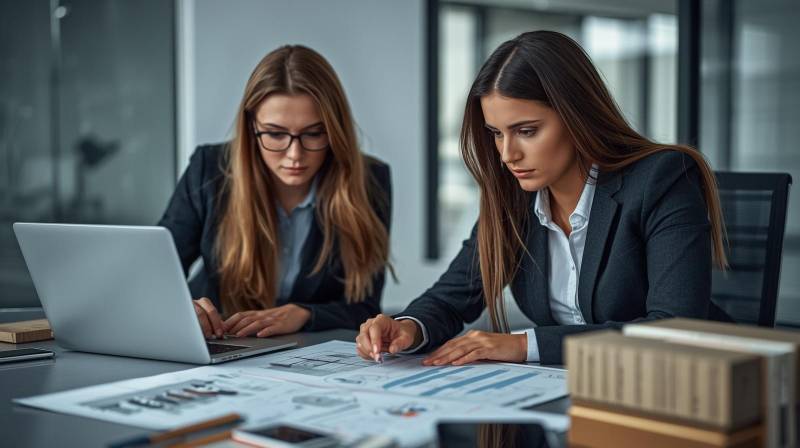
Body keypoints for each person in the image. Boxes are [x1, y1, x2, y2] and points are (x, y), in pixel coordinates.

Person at [356, 30, 728, 365]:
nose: (507, 154)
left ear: (577, 116)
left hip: (688, 386)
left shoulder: (661, 179)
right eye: (496, 134)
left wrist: (524, 345)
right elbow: (452, 296)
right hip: (571, 390)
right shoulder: (514, 198)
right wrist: (407, 327)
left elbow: (672, 330)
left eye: (527, 131)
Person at [159, 45, 392, 339]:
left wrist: (305, 313)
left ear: (335, 130)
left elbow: (365, 307)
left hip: (305, 352)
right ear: (251, 127)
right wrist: (183, 308)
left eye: (314, 133)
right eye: (275, 134)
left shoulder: (369, 180)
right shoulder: (209, 169)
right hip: (216, 342)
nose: (294, 154)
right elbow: (156, 277)